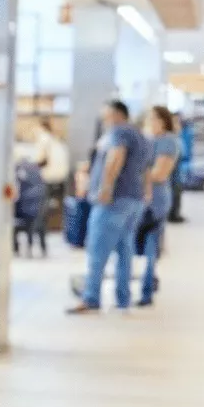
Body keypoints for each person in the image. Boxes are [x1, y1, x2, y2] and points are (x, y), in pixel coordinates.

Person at [67, 100, 150, 313]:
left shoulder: (119, 132)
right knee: (125, 250)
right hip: (134, 199)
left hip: (114, 200)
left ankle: (91, 297)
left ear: (116, 114)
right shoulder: (139, 135)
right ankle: (123, 299)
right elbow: (146, 168)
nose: (104, 120)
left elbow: (116, 157)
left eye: (106, 116)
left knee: (97, 248)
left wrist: (105, 188)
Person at [138, 106, 183, 307]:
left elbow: (159, 174)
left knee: (150, 245)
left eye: (154, 119)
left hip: (156, 200)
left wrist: (136, 174)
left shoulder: (168, 142)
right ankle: (146, 282)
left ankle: (147, 289)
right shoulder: (149, 140)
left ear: (163, 121)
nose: (151, 123)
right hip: (141, 198)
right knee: (143, 245)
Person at [13, 156, 50, 257]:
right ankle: (41, 248)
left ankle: (15, 248)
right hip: (37, 213)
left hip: (26, 213)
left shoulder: (21, 178)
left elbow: (15, 198)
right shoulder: (39, 182)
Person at [33, 119, 71, 209]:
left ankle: (40, 219)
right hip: (62, 176)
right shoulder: (55, 139)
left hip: (49, 176)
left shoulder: (43, 137)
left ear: (41, 128)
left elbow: (41, 159)